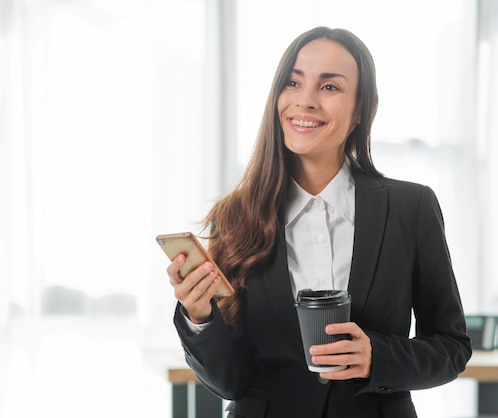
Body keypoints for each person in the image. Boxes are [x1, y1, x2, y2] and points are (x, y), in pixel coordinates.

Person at [166, 26, 471, 418]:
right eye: (293, 82)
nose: (305, 101)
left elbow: (452, 347)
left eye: (329, 87)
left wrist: (376, 357)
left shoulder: (411, 208)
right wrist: (199, 318)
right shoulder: (237, 215)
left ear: (361, 109)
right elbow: (230, 382)